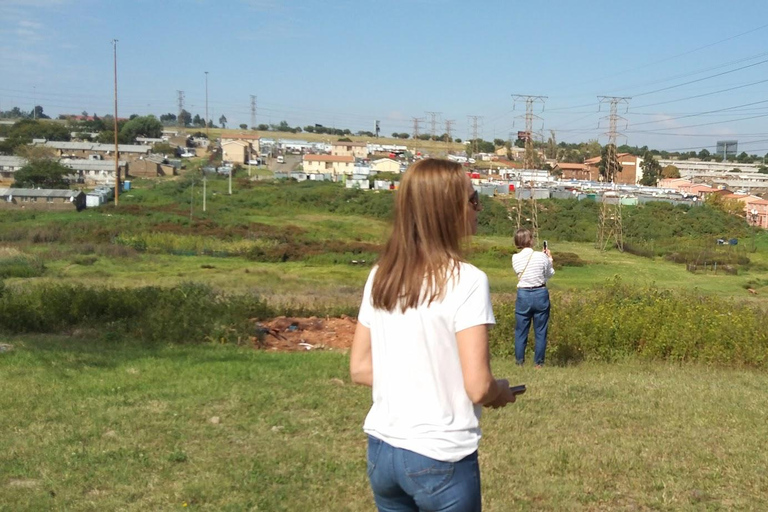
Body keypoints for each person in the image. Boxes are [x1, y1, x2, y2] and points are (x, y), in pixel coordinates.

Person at [350, 158, 518, 512]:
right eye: (473, 200)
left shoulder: (381, 274)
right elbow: (478, 387)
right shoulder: (468, 281)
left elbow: (361, 368)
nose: (479, 207)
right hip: (440, 458)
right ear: (449, 210)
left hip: (383, 451)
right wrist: (499, 391)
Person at [511, 228, 555, 367]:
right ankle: (538, 363)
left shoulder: (515, 258)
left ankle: (519, 362)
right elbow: (549, 274)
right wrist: (549, 259)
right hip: (540, 293)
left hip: (523, 294)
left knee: (521, 330)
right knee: (540, 331)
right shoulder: (541, 256)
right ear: (530, 240)